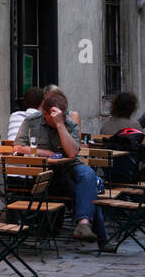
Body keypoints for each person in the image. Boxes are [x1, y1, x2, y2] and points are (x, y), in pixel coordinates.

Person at [14, 92, 110, 249]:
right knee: (86, 191)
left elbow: (72, 153)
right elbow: (18, 146)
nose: (63, 119)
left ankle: (84, 224)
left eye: (64, 115)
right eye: (57, 117)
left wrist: (60, 125)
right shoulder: (32, 122)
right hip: (44, 176)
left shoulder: (69, 124)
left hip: (68, 170)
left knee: (88, 175)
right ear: (45, 113)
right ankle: (98, 236)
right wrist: (48, 154)